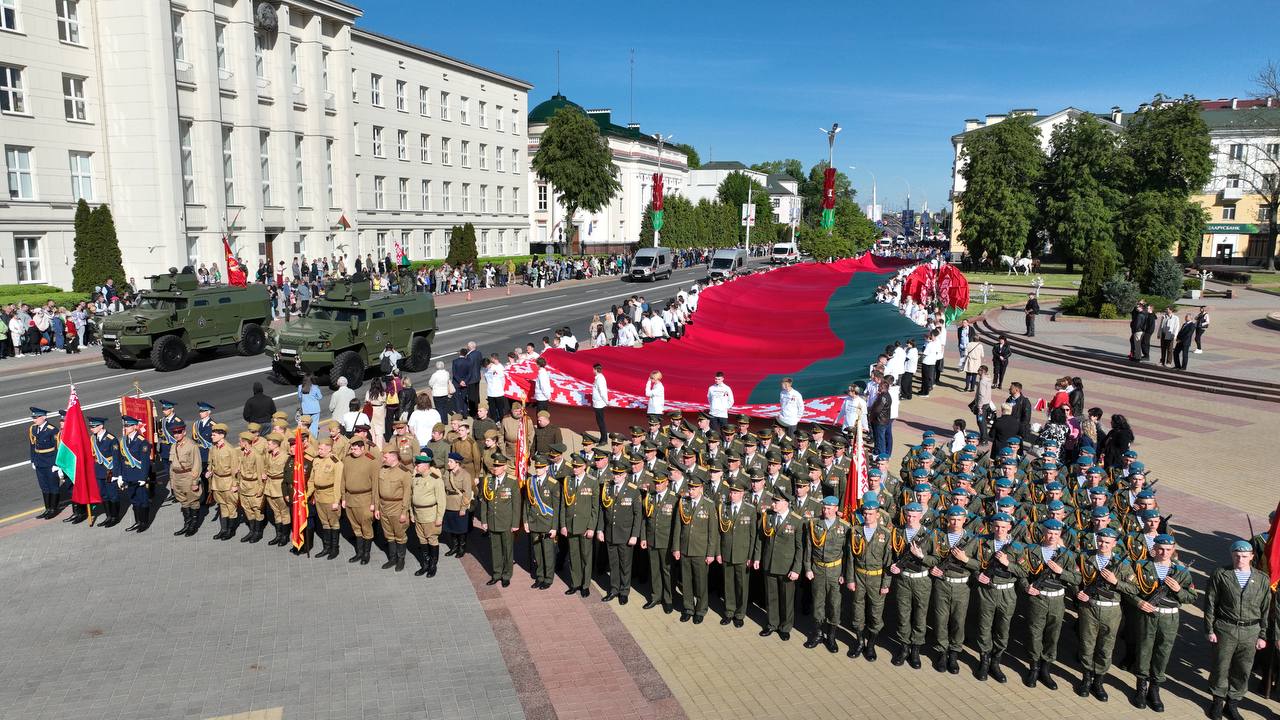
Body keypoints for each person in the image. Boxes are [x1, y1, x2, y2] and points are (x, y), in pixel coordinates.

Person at [1122, 532, 1194, 711]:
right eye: (1160, 548)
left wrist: (1178, 590)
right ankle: (1141, 687)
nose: (1164, 552)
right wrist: (1139, 602)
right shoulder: (1140, 566)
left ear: (1173, 550)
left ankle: (1155, 689)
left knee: (1163, 652)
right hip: (1147, 615)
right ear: (1153, 549)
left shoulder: (1180, 571)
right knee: (1144, 650)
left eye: (1168, 549)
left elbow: (1191, 597)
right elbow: (1129, 591)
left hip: (1169, 617)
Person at [1203, 540, 1271, 720]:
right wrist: (1209, 629)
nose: (1240, 559)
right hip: (1226, 628)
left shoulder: (1262, 579)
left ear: (1251, 557)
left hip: (1251, 631)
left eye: (1244, 556)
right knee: (1221, 666)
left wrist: (1263, 635)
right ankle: (1217, 702)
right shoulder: (1221, 574)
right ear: (1232, 555)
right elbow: (1210, 603)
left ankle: (1232, 704)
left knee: (1243, 669)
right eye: (1236, 555)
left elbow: (1265, 610)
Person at [1019, 518, 1080, 690]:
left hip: (1057, 599)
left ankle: (1046, 669)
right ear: (1043, 532)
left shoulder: (1066, 555)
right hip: (1038, 598)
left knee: (1052, 635)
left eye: (1056, 533)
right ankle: (1034, 667)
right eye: (1049, 532)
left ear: (1060, 534)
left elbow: (1077, 578)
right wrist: (1026, 586)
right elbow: (1021, 572)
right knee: (1034, 632)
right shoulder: (1032, 551)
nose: (1052, 536)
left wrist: (1061, 572)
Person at [919, 505, 979, 673]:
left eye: (959, 520)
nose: (955, 523)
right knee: (941, 620)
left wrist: (965, 559)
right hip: (942, 583)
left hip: (962, 586)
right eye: (952, 519)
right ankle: (941, 652)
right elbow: (931, 558)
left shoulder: (972, 540)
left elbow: (979, 565)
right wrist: (932, 568)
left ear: (964, 521)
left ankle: (954, 653)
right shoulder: (938, 537)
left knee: (958, 621)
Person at [973, 512, 1024, 682]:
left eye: (1003, 527)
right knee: (984, 626)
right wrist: (977, 575)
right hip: (987, 591)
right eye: (997, 526)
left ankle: (996, 662)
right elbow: (973, 562)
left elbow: (1024, 572)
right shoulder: (982, 541)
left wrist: (1008, 563)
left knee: (1003, 629)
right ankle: (984, 661)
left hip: (1007, 592)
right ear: (992, 526)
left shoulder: (1018, 547)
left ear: (1009, 527)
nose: (1000, 530)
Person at [803, 496, 853, 653]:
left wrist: (845, 573)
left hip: (835, 570)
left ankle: (831, 636)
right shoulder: (813, 524)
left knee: (834, 604)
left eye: (829, 508)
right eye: (824, 508)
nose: (826, 511)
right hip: (818, 569)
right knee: (818, 602)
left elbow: (847, 554)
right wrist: (808, 568)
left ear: (836, 509)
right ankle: (817, 634)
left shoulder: (845, 527)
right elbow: (808, 548)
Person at [847, 497, 892, 660]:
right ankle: (859, 642)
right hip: (859, 575)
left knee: (875, 613)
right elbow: (850, 557)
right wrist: (850, 579)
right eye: (865, 513)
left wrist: (886, 583)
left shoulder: (885, 534)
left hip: (877, 578)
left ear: (877, 515)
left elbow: (888, 561)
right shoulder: (854, 531)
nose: (867, 517)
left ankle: (871, 644)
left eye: (871, 514)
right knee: (857, 611)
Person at [674, 479, 719, 623]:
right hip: (685, 549)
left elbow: (713, 532)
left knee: (700, 583)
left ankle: (700, 610)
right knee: (686, 582)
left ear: (701, 488)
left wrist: (711, 553)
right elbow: (678, 527)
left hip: (701, 551)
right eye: (690, 488)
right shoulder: (683, 502)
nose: (691, 491)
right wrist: (676, 548)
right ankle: (688, 608)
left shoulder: (709, 505)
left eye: (694, 489)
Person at [598, 461, 642, 603]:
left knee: (625, 564)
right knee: (613, 564)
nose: (615, 476)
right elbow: (602, 510)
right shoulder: (608, 487)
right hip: (610, 533)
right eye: (614, 473)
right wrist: (600, 529)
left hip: (625, 535)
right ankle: (614, 589)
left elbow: (638, 514)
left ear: (624, 475)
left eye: (618, 474)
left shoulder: (633, 490)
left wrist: (635, 535)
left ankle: (624, 591)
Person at [561, 452, 601, 598]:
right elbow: (563, 505)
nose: (575, 469)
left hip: (585, 527)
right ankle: (575, 583)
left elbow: (595, 508)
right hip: (571, 525)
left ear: (584, 467)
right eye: (574, 466)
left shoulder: (592, 481)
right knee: (573, 556)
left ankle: (585, 585)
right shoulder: (568, 481)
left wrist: (591, 527)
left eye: (578, 466)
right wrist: (563, 525)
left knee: (586, 557)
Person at [720, 480, 759, 628]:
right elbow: (719, 533)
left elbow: (753, 535)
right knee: (728, 584)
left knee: (742, 586)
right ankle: (729, 612)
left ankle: (740, 614)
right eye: (731, 492)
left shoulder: (750, 510)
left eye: (736, 492)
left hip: (742, 555)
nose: (732, 495)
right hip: (727, 552)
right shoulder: (723, 507)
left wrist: (751, 556)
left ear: (742, 494)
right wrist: (719, 552)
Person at [641, 471, 679, 612]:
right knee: (654, 570)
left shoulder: (674, 498)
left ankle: (668, 599)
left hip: (666, 541)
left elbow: (677, 525)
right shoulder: (650, 496)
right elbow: (645, 519)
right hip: (652, 540)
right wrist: (644, 537)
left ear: (666, 483)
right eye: (655, 482)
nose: (657, 485)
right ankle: (655, 596)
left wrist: (675, 545)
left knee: (667, 571)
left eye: (660, 483)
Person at [479, 454, 518, 587]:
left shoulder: (512, 481)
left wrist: (515, 523)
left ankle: (507, 575)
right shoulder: (488, 480)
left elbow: (516, 505)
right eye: (494, 465)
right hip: (493, 521)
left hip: (506, 522)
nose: (495, 468)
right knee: (495, 549)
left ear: (505, 467)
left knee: (507, 550)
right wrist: (484, 520)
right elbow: (484, 502)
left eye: (498, 466)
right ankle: (496, 574)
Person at [524, 456, 562, 589]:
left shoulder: (553, 483)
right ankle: (539, 576)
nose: (538, 470)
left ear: (546, 467)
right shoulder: (530, 481)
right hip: (534, 522)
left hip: (547, 523)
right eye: (537, 467)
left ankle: (548, 578)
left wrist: (554, 527)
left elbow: (557, 508)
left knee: (548, 552)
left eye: (541, 467)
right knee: (537, 552)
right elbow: (526, 503)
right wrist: (526, 521)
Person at [341, 438, 380, 565]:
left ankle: (366, 553)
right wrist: (343, 498)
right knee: (355, 527)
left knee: (366, 527)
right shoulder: (347, 460)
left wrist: (374, 503)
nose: (353, 451)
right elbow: (343, 480)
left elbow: (375, 484)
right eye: (351, 448)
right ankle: (359, 552)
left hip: (365, 499)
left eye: (356, 449)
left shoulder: (371, 461)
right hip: (350, 498)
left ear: (363, 448)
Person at [307, 437, 345, 560]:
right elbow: (312, 480)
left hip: (330, 497)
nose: (319, 451)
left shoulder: (336, 463)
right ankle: (326, 547)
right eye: (319, 449)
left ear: (329, 449)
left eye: (322, 449)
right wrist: (307, 495)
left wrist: (336, 501)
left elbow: (338, 483)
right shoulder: (316, 460)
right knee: (324, 523)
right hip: (319, 497)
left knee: (333, 523)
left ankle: (335, 548)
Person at [168, 422, 203, 537]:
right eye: (174, 433)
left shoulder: (191, 445)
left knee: (192, 501)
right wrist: (172, 482)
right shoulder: (174, 445)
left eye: (179, 432)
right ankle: (186, 525)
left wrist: (195, 482)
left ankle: (193, 526)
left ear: (184, 432)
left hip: (188, 476)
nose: (176, 435)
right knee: (183, 501)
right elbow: (172, 466)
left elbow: (197, 465)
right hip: (177, 477)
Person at [28, 407, 61, 519]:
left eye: (36, 417)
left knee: (53, 486)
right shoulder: (33, 429)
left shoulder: (52, 430)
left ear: (44, 417)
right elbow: (32, 446)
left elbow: (58, 448)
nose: (34, 420)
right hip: (39, 461)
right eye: (33, 417)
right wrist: (33, 460)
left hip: (50, 462)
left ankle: (53, 509)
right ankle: (47, 509)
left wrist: (56, 464)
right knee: (44, 486)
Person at [235, 430, 266, 544]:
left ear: (245, 442)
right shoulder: (242, 453)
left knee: (257, 510)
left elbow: (260, 473)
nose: (239, 443)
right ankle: (252, 531)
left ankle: (258, 532)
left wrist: (260, 489)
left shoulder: (256, 455)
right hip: (244, 486)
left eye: (240, 441)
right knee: (247, 510)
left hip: (254, 486)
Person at [973, 366, 994, 443]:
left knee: (980, 422)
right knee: (983, 422)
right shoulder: (987, 379)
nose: (978, 371)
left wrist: (979, 407)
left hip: (982, 405)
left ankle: (984, 439)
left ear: (983, 371)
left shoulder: (982, 381)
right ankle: (984, 437)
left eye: (979, 370)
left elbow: (981, 394)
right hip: (987, 403)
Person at [483, 355, 509, 420]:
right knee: (492, 409)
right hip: (490, 393)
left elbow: (502, 379)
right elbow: (487, 380)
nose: (486, 367)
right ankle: (494, 421)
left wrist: (502, 388)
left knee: (500, 409)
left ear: (489, 363)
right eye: (485, 367)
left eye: (487, 366)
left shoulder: (496, 368)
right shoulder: (485, 370)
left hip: (499, 392)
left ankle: (502, 420)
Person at [591, 363, 609, 438]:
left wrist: (606, 402)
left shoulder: (600, 379)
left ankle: (604, 439)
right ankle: (603, 438)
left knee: (601, 422)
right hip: (597, 403)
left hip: (599, 404)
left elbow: (602, 392)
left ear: (595, 369)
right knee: (599, 422)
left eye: (593, 369)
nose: (592, 371)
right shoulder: (598, 378)